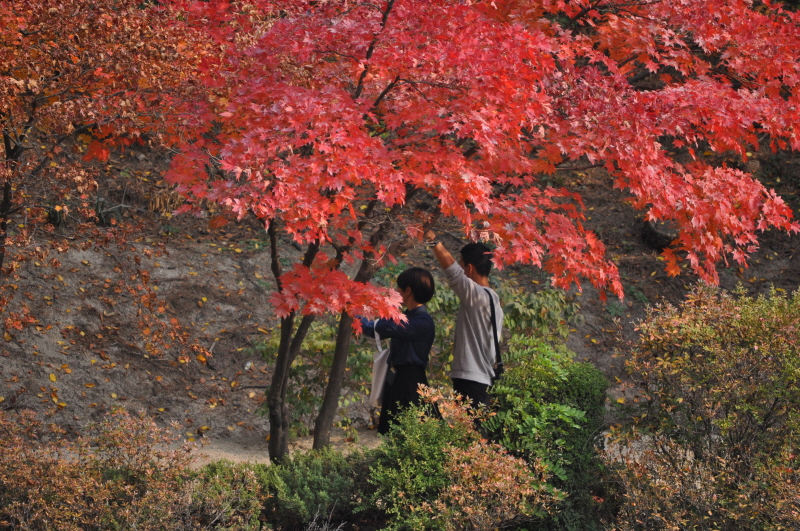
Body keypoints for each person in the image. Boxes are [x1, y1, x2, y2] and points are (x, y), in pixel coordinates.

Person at [426, 231, 503, 409]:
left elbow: (452, 271)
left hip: (470, 379)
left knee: (469, 426)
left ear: (469, 268)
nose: (459, 269)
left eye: (461, 265)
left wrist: (432, 239)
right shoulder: (493, 299)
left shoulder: (475, 295)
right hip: (484, 378)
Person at [360, 267, 436, 434]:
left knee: (407, 432)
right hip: (400, 379)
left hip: (410, 382)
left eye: (398, 288)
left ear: (407, 291)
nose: (396, 292)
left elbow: (376, 328)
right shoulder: (411, 317)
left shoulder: (421, 322)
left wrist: (354, 313)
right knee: (398, 432)